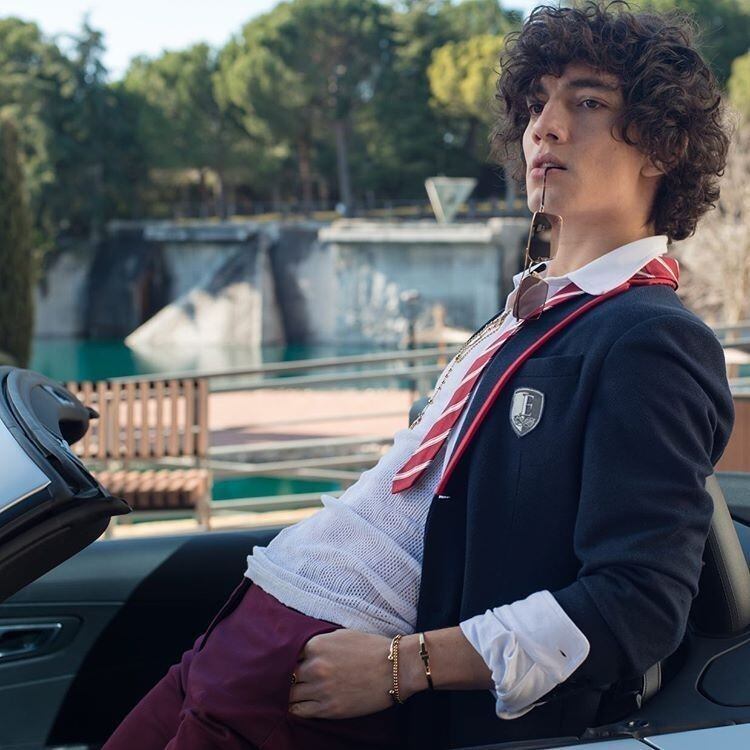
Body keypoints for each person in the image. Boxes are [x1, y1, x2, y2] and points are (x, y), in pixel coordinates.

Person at [103, 2, 735, 749]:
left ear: (662, 146)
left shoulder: (650, 338)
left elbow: (638, 603)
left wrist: (407, 666)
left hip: (316, 673)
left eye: (587, 102)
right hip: (242, 633)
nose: (546, 127)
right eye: (537, 103)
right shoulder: (528, 311)